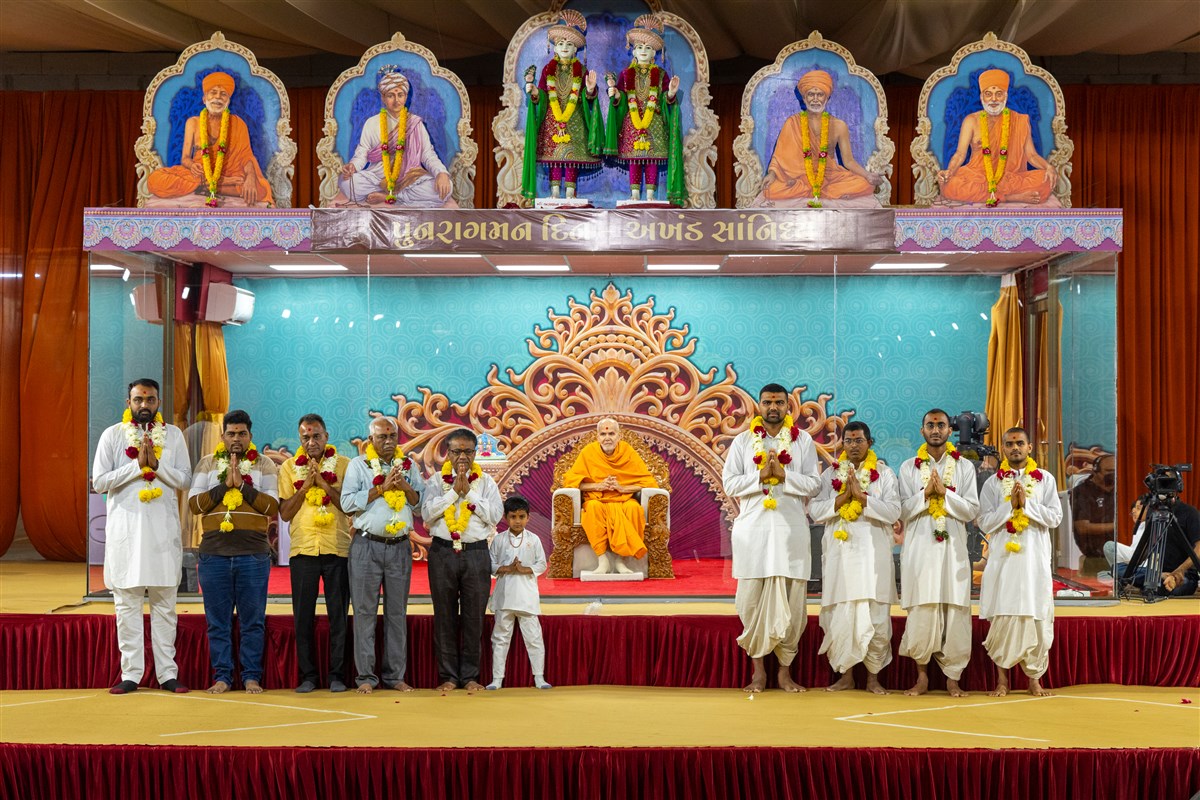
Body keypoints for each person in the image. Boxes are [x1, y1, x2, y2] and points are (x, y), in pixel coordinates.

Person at [91, 379, 192, 695]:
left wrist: (157, 466)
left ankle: (167, 674)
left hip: (162, 535)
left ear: (158, 401)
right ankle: (131, 674)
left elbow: (185, 479)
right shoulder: (113, 435)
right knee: (127, 608)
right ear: (129, 402)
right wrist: (137, 466)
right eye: (138, 399)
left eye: (150, 399)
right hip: (127, 536)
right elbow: (99, 482)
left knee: (165, 608)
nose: (144, 405)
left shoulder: (173, 435)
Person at [721, 384, 821, 693]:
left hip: (791, 532)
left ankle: (784, 674)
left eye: (779, 402)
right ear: (759, 406)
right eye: (767, 402)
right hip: (753, 533)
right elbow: (729, 484)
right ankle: (759, 673)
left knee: (792, 605)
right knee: (751, 602)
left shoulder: (803, 441)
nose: (773, 407)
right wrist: (760, 476)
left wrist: (785, 476)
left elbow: (815, 485)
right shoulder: (743, 441)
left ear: (789, 407)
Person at [188, 409, 279, 694]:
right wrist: (224, 486)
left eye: (242, 433)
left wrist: (242, 486)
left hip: (253, 556)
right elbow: (194, 505)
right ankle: (223, 677)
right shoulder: (207, 463)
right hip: (214, 555)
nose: (236, 438)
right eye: (231, 433)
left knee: (253, 622)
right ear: (223, 436)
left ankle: (251, 676)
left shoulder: (264, 464)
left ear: (250, 436)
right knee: (218, 623)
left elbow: (271, 507)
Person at [809, 421, 900, 694]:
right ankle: (846, 676)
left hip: (873, 557)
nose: (853, 445)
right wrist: (842, 499)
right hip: (841, 556)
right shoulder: (830, 475)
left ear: (869, 443)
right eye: (848, 441)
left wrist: (862, 498)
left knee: (877, 620)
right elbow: (815, 511)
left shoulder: (884, 474)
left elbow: (894, 512)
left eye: (858, 440)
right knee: (841, 617)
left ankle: (873, 679)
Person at [897, 408, 979, 697]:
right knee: (922, 610)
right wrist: (925, 495)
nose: (935, 430)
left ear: (949, 430)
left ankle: (953, 678)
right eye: (930, 425)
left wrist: (945, 493)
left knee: (955, 611)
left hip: (953, 550)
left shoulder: (964, 467)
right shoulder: (909, 467)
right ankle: (921, 677)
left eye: (941, 425)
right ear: (922, 431)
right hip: (920, 549)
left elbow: (971, 511)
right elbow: (901, 510)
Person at [340, 416, 423, 693]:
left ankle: (395, 676)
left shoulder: (408, 466)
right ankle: (365, 677)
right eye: (382, 437)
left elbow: (420, 504)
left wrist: (405, 487)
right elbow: (347, 503)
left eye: (392, 436)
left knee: (396, 613)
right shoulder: (358, 465)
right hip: (366, 546)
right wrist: (382, 489)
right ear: (370, 440)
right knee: (364, 612)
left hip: (399, 547)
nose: (388, 441)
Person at [978, 427, 1063, 697]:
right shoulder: (993, 483)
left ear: (1029, 447)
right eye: (1009, 443)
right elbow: (984, 521)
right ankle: (1002, 681)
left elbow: (1055, 518)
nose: (1015, 447)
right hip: (1004, 563)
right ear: (1003, 448)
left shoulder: (1045, 479)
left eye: (1019, 443)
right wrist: (1010, 507)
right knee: (1003, 616)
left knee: (1037, 618)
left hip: (1033, 562)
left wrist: (1026, 505)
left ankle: (1034, 680)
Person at [422, 428, 504, 691]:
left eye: (468, 451)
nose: (462, 457)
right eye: (456, 451)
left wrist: (469, 493)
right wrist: (452, 494)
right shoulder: (436, 481)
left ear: (475, 453)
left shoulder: (486, 483)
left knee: (474, 616)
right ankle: (448, 676)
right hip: (442, 553)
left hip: (476, 553)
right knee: (444, 615)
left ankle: (470, 676)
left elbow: (495, 516)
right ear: (447, 453)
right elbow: (427, 515)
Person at [279, 414, 352, 693]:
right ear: (300, 439)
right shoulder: (289, 467)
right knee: (303, 617)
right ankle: (308, 676)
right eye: (306, 437)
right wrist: (306, 487)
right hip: (303, 550)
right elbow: (285, 513)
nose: (311, 442)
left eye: (316, 436)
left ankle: (337, 676)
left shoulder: (344, 465)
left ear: (326, 436)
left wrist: (324, 484)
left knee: (338, 616)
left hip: (337, 548)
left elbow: (349, 507)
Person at [756, 70, 883, 208]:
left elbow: (849, 161)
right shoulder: (792, 122)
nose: (815, 99)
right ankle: (826, 193)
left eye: (820, 94)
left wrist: (868, 175)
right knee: (771, 189)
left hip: (830, 177)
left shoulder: (839, 125)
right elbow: (779, 157)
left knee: (865, 184)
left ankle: (826, 192)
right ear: (804, 98)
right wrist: (772, 175)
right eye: (811, 94)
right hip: (800, 177)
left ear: (827, 97)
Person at [146, 71, 274, 207]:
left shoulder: (238, 123)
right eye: (213, 92)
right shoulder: (193, 122)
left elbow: (246, 157)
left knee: (261, 189)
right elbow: (185, 158)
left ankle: (209, 186)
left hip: (230, 173)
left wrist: (251, 178)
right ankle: (214, 184)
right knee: (154, 180)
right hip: (199, 174)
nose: (218, 97)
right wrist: (192, 165)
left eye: (223, 94)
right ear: (204, 98)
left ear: (228, 101)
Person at [937, 68, 1056, 207]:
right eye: (988, 94)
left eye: (998, 94)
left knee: (1045, 180)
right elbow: (960, 154)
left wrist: (1048, 167)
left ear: (1005, 96)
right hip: (978, 176)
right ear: (982, 97)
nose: (993, 99)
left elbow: (1032, 155)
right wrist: (949, 171)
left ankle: (996, 194)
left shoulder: (1020, 120)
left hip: (1009, 178)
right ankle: (1010, 197)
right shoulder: (971, 120)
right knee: (950, 185)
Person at [338, 66, 454, 207]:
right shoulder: (372, 123)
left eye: (400, 95)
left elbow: (428, 155)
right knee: (345, 182)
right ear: (383, 98)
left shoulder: (415, 123)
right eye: (390, 95)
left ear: (405, 96)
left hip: (409, 178)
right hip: (377, 178)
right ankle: (398, 195)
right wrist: (353, 166)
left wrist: (441, 172)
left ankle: (391, 197)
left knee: (446, 188)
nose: (396, 100)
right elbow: (362, 152)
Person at [604, 13, 687, 205]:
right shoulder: (626, 74)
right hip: (632, 123)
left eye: (648, 48)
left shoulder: (661, 74)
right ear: (633, 51)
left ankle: (650, 195)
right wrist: (615, 93)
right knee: (634, 159)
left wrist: (671, 92)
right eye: (639, 47)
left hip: (654, 124)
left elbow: (665, 99)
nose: (643, 51)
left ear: (654, 54)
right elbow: (622, 97)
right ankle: (634, 194)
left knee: (652, 159)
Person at [521, 9, 604, 201]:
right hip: (552, 119)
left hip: (575, 120)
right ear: (554, 48)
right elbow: (543, 93)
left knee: (572, 158)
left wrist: (590, 89)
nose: (565, 47)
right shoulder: (548, 70)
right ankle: (554, 192)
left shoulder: (581, 70)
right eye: (560, 43)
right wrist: (535, 92)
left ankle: (570, 192)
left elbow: (588, 97)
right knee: (555, 158)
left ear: (576, 50)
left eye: (569, 44)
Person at [561, 417, 659, 575]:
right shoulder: (588, 452)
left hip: (623, 499)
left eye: (611, 433)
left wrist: (622, 488)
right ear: (597, 436)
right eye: (603, 434)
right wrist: (598, 486)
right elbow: (571, 482)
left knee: (634, 509)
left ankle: (621, 560)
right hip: (597, 500)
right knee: (593, 508)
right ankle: (602, 560)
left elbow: (647, 481)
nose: (607, 438)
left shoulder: (627, 451)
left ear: (619, 436)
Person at [486, 495, 551, 690]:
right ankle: (497, 679)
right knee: (500, 638)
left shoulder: (534, 539)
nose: (517, 521)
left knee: (534, 638)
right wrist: (505, 568)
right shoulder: (498, 540)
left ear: (528, 517)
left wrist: (525, 569)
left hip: (526, 596)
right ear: (505, 518)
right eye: (513, 516)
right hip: (504, 596)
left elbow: (542, 564)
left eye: (521, 516)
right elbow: (490, 564)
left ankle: (539, 678)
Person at [1116, 500, 1200, 597]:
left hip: (1183, 574)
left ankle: (1147, 583)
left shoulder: (1189, 512)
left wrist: (1179, 571)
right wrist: (1136, 567)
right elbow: (1148, 547)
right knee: (1117, 569)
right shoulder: (1152, 512)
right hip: (1156, 572)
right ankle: (1155, 579)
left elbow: (1199, 549)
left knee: (1170, 587)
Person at [1070, 454, 1116, 560]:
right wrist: (1116, 527)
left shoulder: (1121, 488)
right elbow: (1082, 527)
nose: (1113, 474)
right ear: (1095, 472)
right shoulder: (1081, 492)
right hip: (1095, 554)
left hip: (1122, 551)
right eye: (1109, 471)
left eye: (1115, 471)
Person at [1101, 498, 1145, 576]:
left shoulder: (1147, 525)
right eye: (1133, 512)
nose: (1134, 512)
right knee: (1102, 575)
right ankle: (1118, 573)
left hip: (1142, 566)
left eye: (1138, 508)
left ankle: (1119, 575)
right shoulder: (1139, 527)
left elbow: (1138, 556)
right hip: (1135, 562)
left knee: (1109, 547)